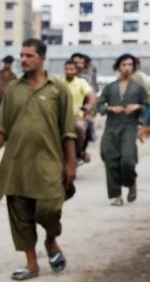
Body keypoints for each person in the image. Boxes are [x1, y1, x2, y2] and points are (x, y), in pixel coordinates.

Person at [0, 38, 76, 281]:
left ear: (42, 57)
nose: (23, 60)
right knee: (20, 215)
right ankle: (32, 264)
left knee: (49, 209)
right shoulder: (13, 89)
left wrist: (71, 164)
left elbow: (68, 131)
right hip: (16, 164)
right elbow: (2, 128)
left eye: (29, 55)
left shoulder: (58, 89)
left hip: (49, 162)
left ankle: (51, 240)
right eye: (21, 55)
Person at [96, 53, 147, 205]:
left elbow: (147, 105)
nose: (127, 68)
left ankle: (131, 183)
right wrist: (110, 108)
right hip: (111, 127)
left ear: (134, 67)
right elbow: (99, 105)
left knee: (127, 160)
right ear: (118, 67)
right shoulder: (110, 87)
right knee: (110, 159)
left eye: (130, 65)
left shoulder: (138, 88)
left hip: (129, 127)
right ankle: (116, 195)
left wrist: (138, 106)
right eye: (124, 65)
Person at [63, 59, 97, 163]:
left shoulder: (81, 83)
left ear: (76, 71)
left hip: (77, 116)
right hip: (61, 117)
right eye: (66, 69)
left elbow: (91, 95)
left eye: (71, 69)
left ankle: (79, 152)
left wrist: (89, 105)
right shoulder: (60, 83)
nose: (69, 71)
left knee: (79, 127)